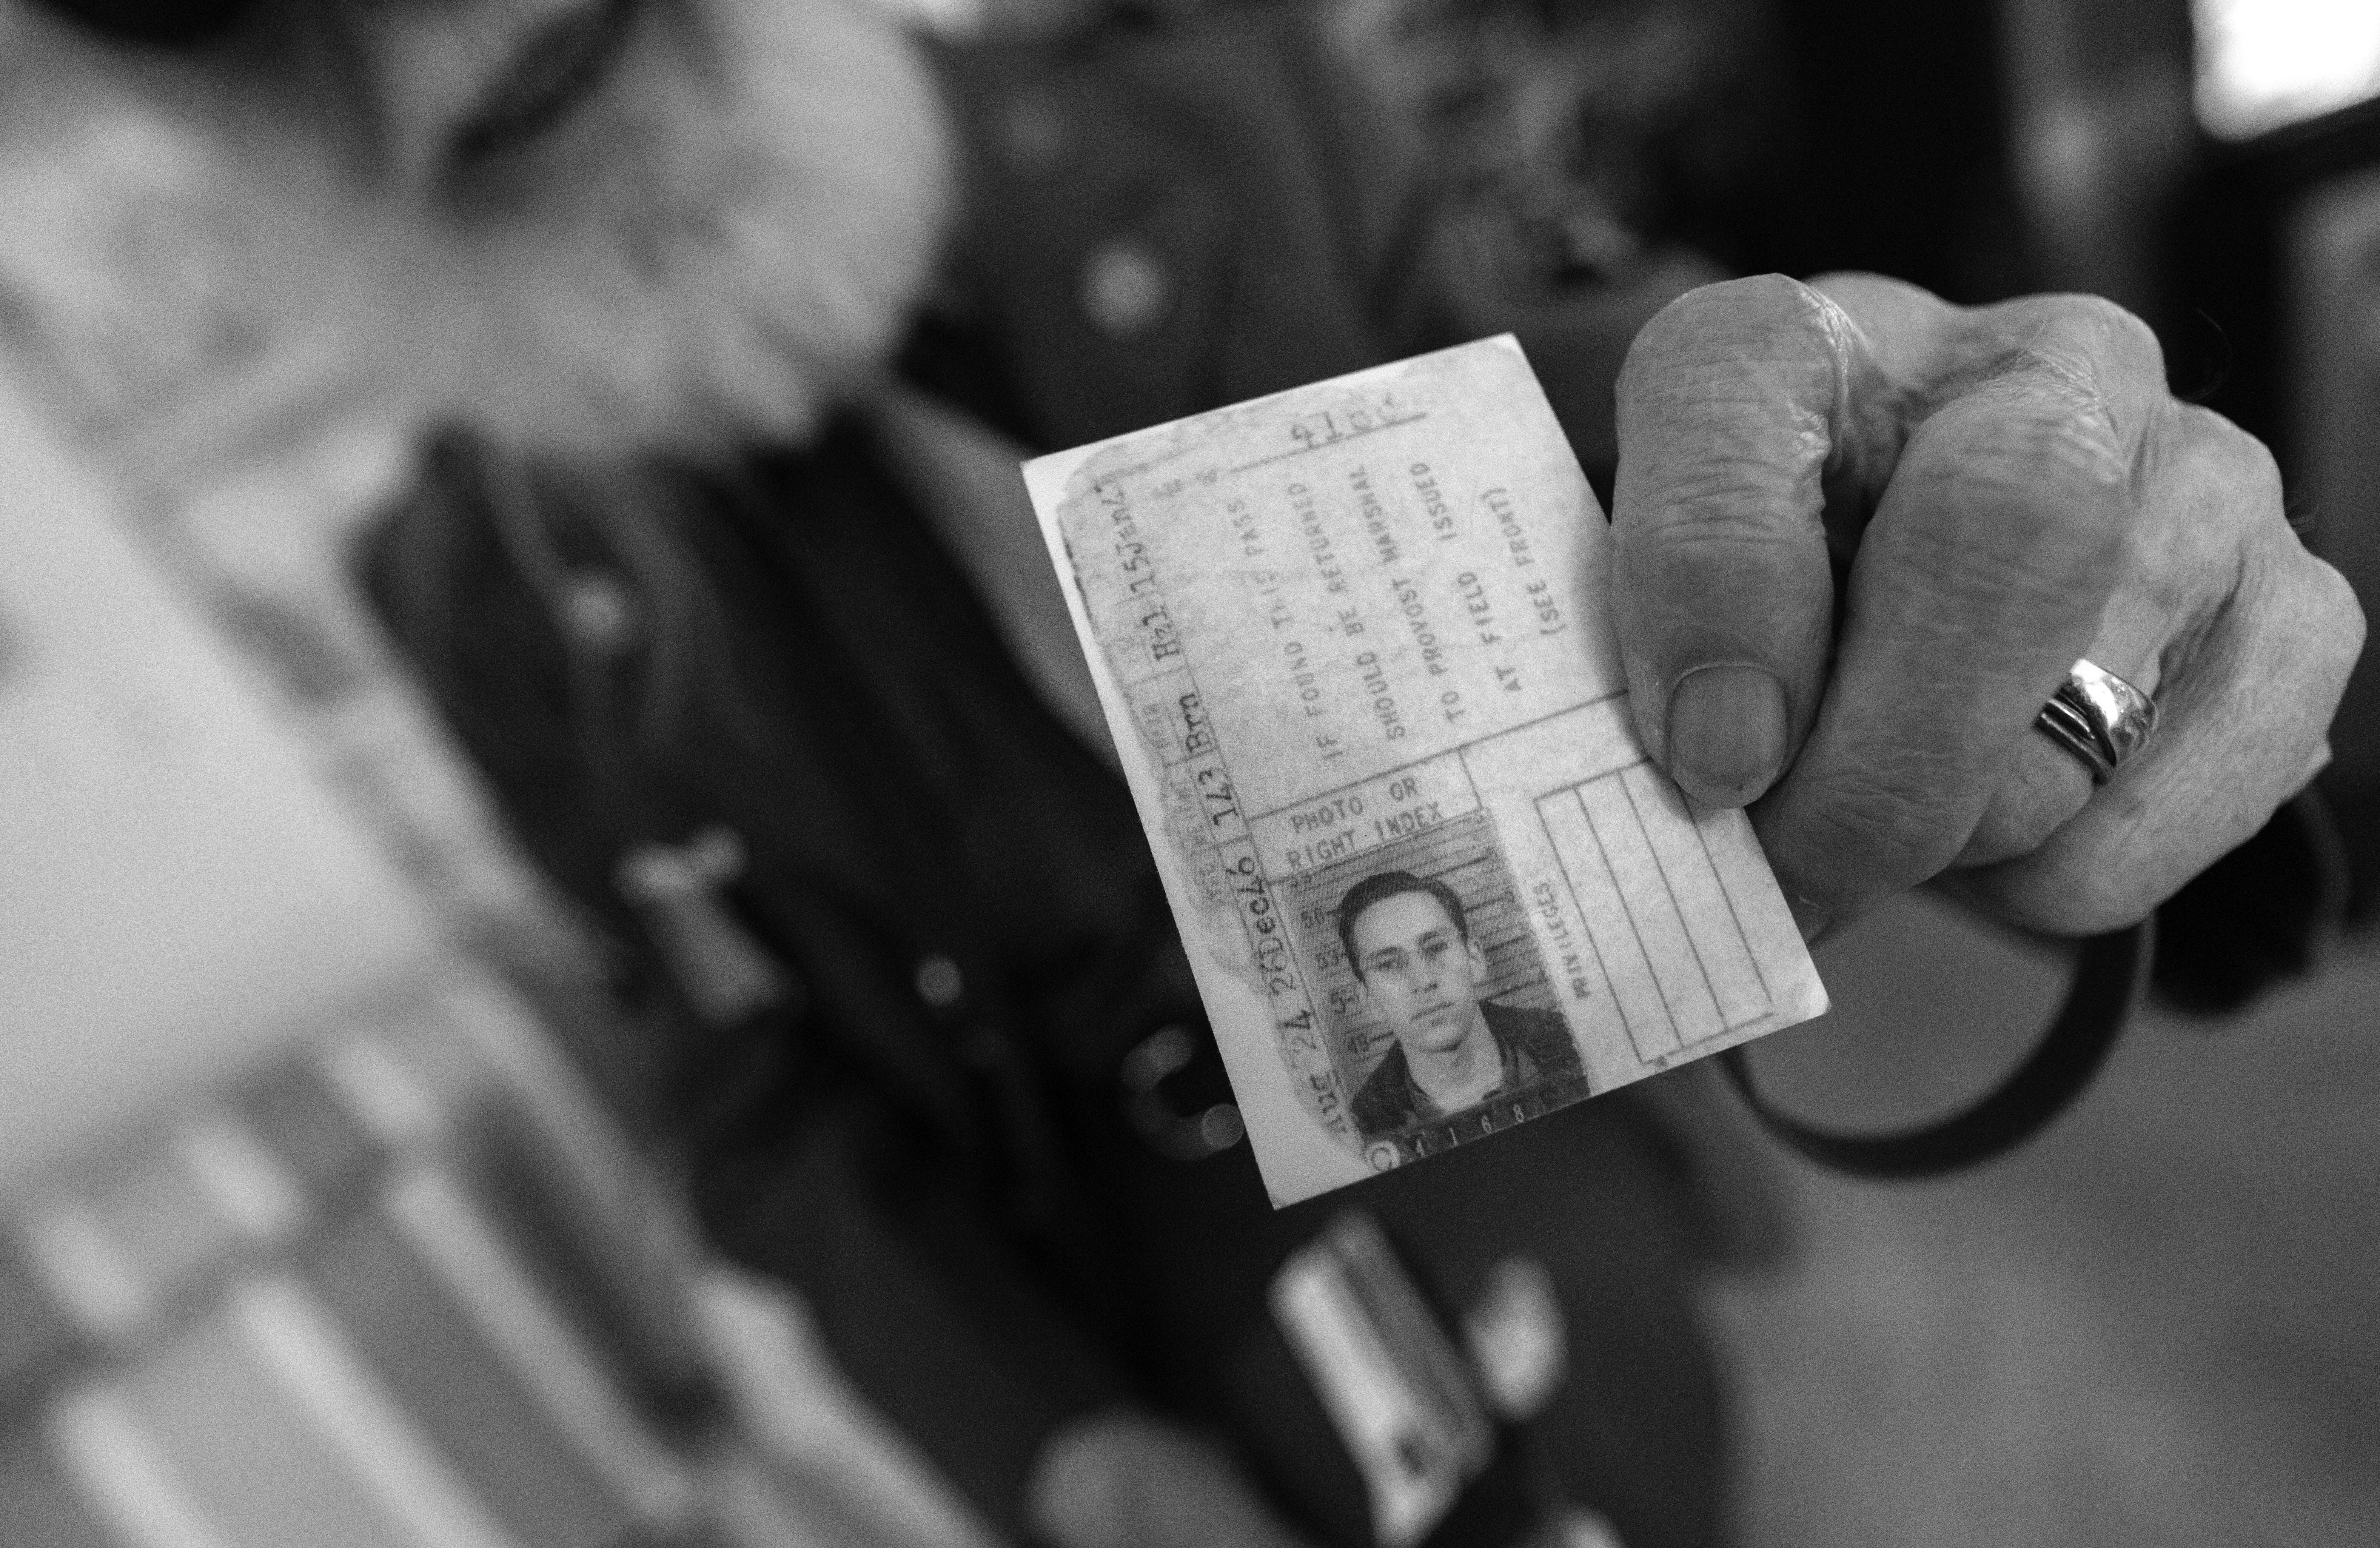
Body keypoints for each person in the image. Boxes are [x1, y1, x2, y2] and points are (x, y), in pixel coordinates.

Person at [0, 3, 2359, 1547]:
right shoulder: (472, 593)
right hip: (1188, 1373)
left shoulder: (1216, 100)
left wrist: (1953, 496)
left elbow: (1594, 399)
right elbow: (747, 1094)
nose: (433, 31)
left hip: (1579, 1201)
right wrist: (1054, 1449)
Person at [1339, 871, 1583, 1139]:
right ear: (1368, 1001)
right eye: (1388, 964)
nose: (1423, 981)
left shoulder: (1579, 1042)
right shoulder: (1361, 1134)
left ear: (1474, 959)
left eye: (1435, 948)